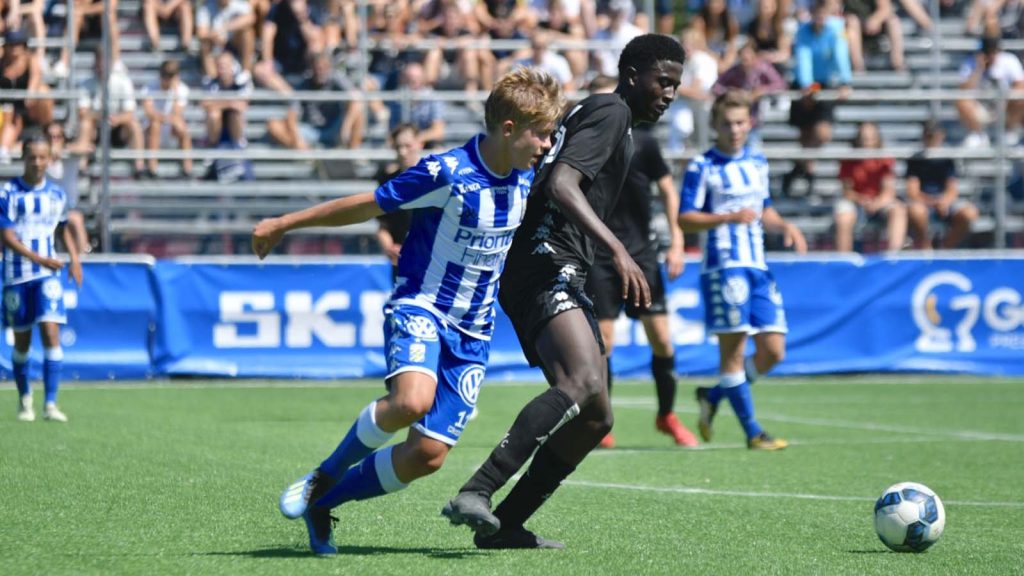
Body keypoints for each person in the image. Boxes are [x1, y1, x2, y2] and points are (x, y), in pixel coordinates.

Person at [250, 67, 563, 556]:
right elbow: (369, 205)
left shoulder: (529, 176)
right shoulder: (446, 173)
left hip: (475, 332)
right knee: (411, 401)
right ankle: (323, 475)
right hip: (422, 306)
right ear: (508, 128)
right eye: (541, 134)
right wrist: (284, 223)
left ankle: (324, 501)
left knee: (428, 456)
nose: (547, 144)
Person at [441, 34, 684, 549]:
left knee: (597, 413)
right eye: (663, 81)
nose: (670, 93)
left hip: (549, 262)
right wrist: (618, 250)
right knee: (583, 378)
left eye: (677, 85)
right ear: (634, 73)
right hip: (547, 259)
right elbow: (561, 186)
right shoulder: (612, 113)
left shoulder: (597, 113)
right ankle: (477, 490)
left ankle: (506, 524)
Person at [678, 89, 807, 451]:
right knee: (732, 354)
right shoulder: (702, 166)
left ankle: (714, 395)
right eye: (727, 124)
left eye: (740, 122)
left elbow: (763, 209)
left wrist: (785, 227)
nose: (734, 130)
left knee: (773, 351)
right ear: (715, 126)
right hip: (724, 267)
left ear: (749, 123)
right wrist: (727, 218)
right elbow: (685, 218)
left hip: (758, 266)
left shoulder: (757, 163)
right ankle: (753, 432)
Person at [582, 79, 696, 449]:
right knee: (606, 343)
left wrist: (677, 241)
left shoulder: (643, 140)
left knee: (661, 339)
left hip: (642, 254)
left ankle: (666, 414)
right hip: (600, 254)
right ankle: (602, 421)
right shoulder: (584, 143)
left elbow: (667, 189)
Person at [2, 135, 83, 422]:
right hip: (16, 276)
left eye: (42, 157)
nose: (37, 162)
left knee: (51, 330)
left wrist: (74, 259)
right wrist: (39, 259)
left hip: (47, 275)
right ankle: (25, 399)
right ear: (24, 158)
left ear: (49, 159)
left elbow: (62, 229)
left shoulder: (57, 195)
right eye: (31, 157)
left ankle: (50, 403)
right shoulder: (8, 193)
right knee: (22, 342)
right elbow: (6, 236)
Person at [784, 0, 851, 197]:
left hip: (825, 83)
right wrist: (807, 85)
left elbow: (840, 54)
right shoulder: (803, 30)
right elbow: (803, 57)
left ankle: (798, 168)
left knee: (822, 133)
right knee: (805, 135)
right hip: (806, 85)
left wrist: (845, 81)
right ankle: (808, 172)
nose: (821, 18)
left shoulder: (836, 28)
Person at [834, 122, 907, 252]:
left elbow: (888, 191)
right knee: (843, 216)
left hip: (878, 202)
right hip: (856, 202)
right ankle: (844, 260)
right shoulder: (848, 160)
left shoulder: (884, 160)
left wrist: (876, 203)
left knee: (898, 210)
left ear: (876, 139)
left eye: (870, 138)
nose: (866, 142)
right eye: (863, 138)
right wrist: (861, 200)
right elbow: (847, 192)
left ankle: (893, 257)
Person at [906, 120, 979, 249]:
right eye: (928, 135)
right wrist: (933, 202)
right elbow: (913, 192)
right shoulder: (915, 160)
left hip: (944, 203)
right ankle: (926, 248)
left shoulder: (947, 159)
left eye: (934, 135)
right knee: (916, 211)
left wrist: (944, 201)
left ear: (942, 135)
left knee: (969, 213)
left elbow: (952, 189)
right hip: (924, 203)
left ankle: (945, 248)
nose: (931, 139)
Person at [374, 123, 422, 280]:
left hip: (432, 264)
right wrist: (389, 248)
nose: (402, 152)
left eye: (407, 145)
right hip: (401, 265)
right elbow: (383, 226)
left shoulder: (437, 179)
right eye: (398, 147)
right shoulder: (388, 182)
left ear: (419, 143)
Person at [141, 60, 193, 177]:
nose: (167, 78)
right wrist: (164, 118)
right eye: (165, 75)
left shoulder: (182, 90)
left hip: (171, 129)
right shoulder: (149, 87)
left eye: (170, 75)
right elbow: (148, 111)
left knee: (182, 127)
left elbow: (177, 113)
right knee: (155, 124)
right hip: (153, 129)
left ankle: (187, 168)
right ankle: (152, 167)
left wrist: (174, 93)